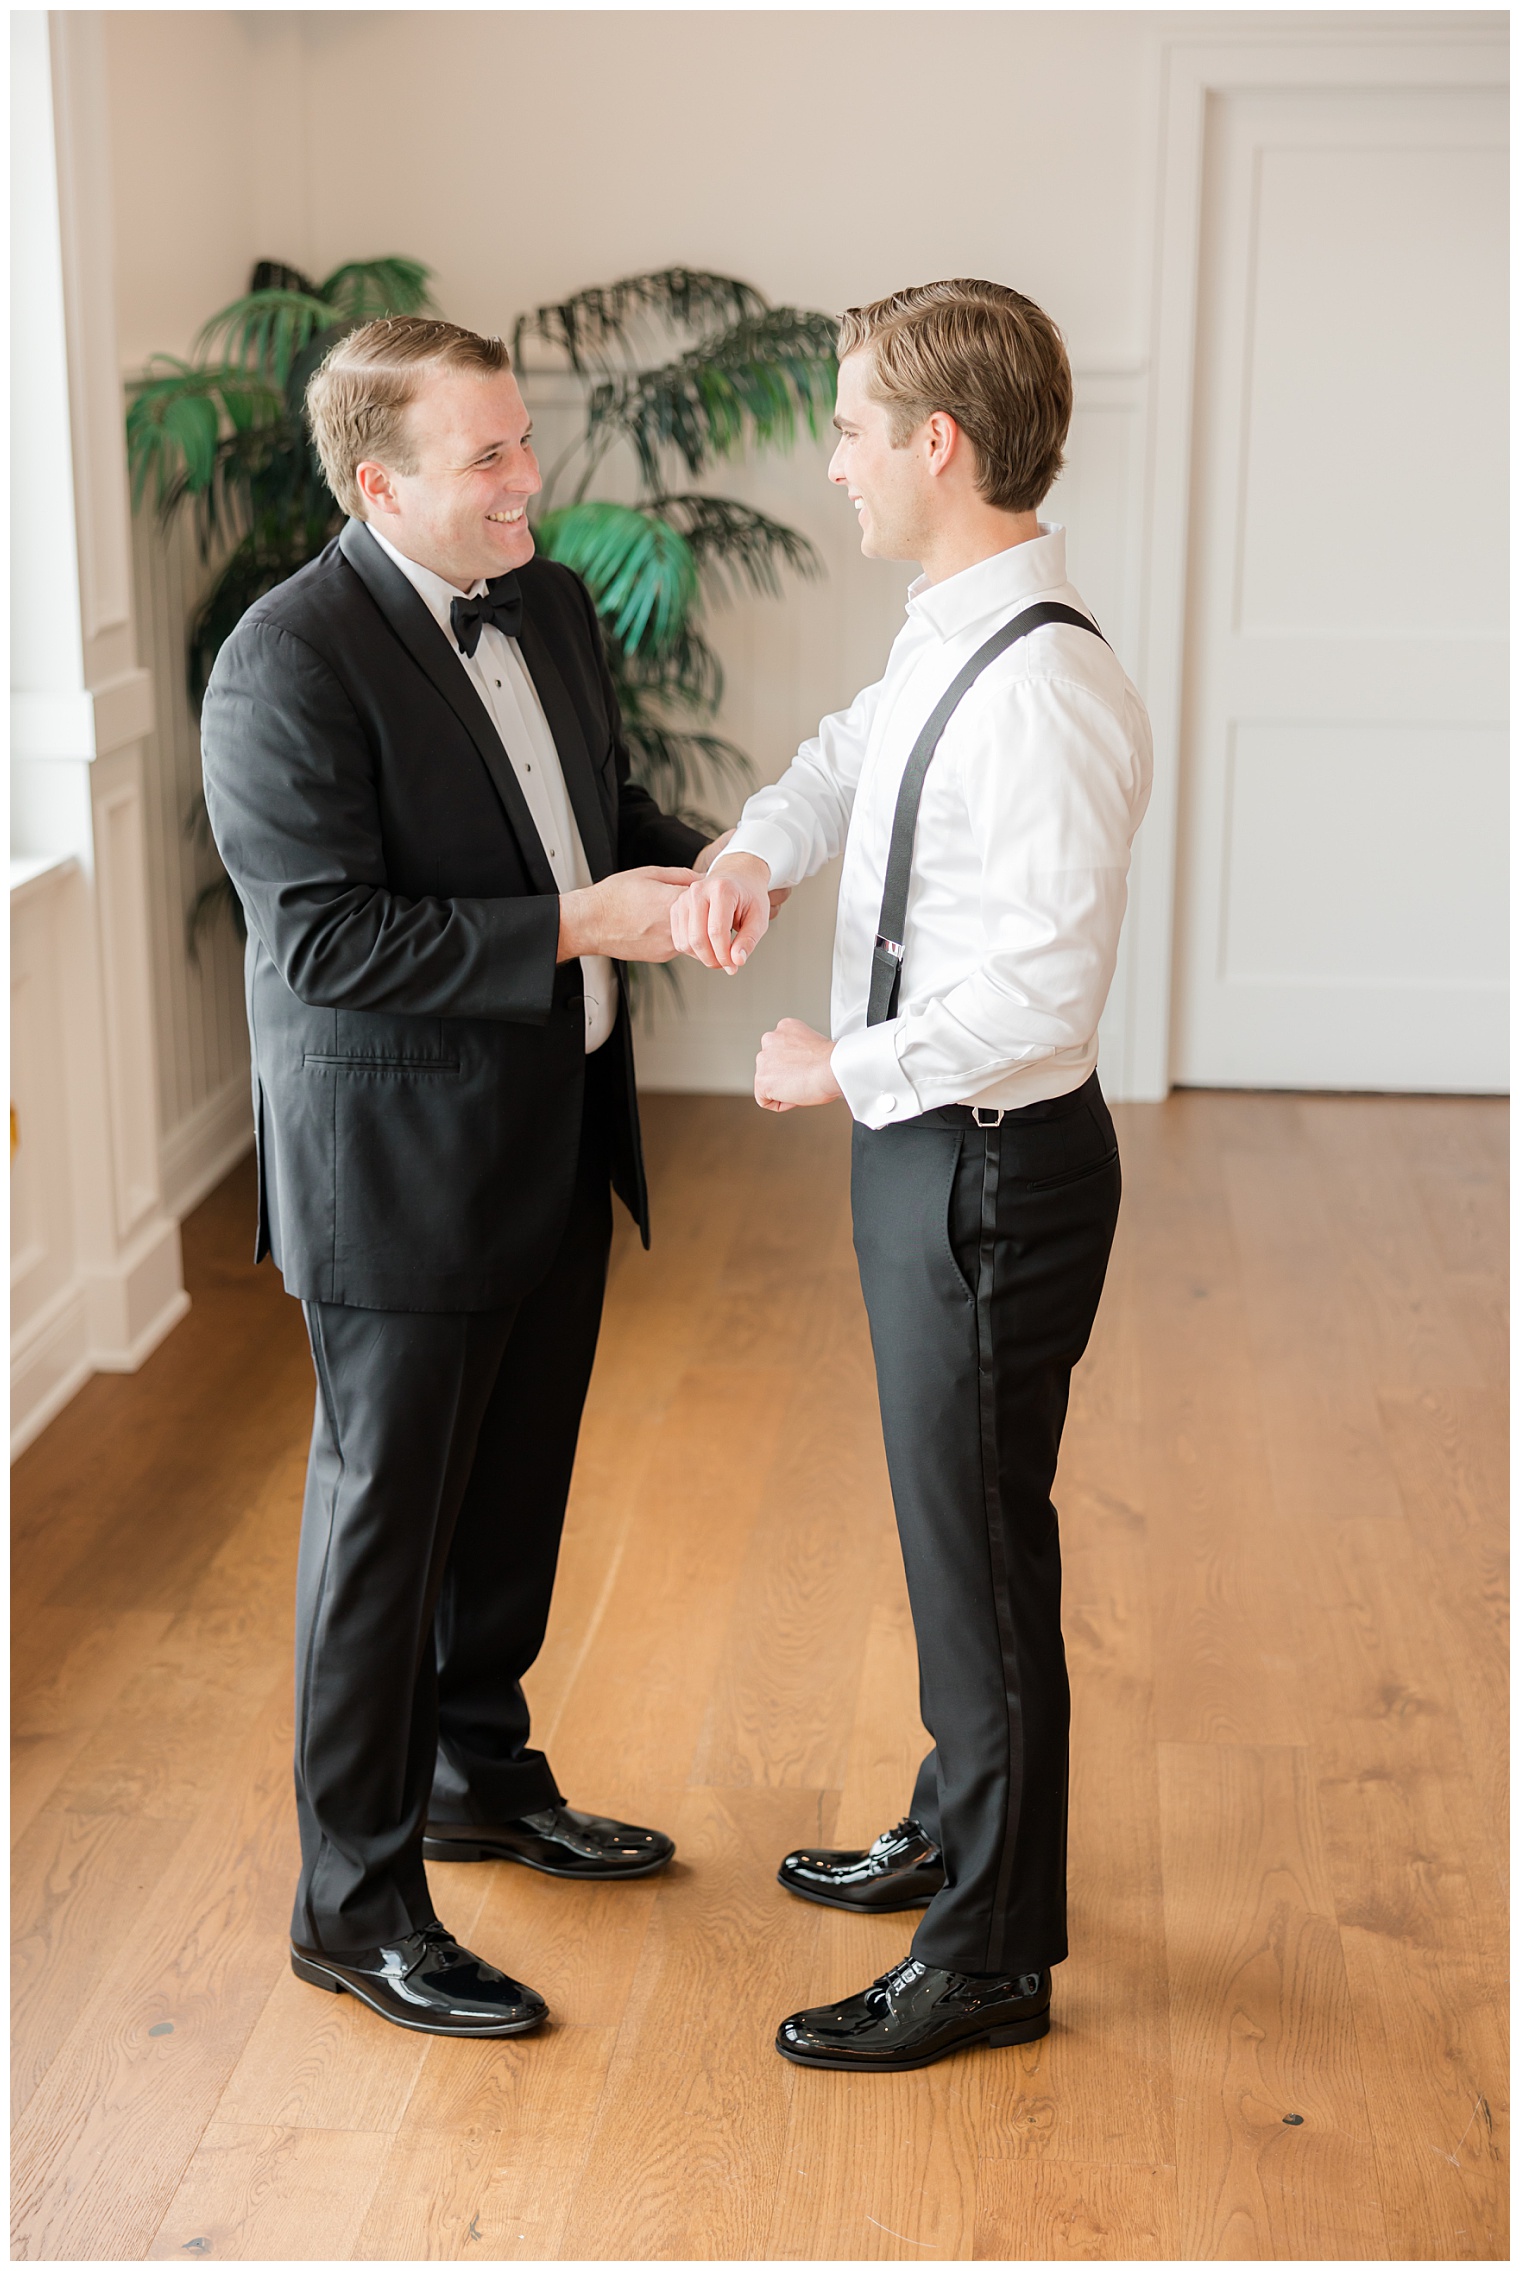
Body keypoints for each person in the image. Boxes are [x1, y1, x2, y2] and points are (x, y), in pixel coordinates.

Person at [201, 316, 730, 2038]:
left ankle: (476, 1779)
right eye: (487, 457)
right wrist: (589, 921)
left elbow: (590, 813)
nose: (530, 480)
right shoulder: (284, 663)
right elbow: (332, 940)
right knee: (382, 1541)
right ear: (379, 483)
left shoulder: (551, 605)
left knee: (510, 1503)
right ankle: (350, 1906)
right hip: (400, 1180)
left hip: (555, 1132)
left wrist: (712, 864)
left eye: (524, 441)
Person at [673, 279, 1153, 2072]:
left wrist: (837, 1069)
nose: (836, 461)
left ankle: (991, 1960)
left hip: (989, 1165)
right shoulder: (949, 628)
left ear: (935, 446)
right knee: (959, 1534)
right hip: (934, 1156)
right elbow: (854, 762)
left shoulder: (1050, 691)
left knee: (980, 1562)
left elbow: (1038, 989)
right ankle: (966, 1822)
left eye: (855, 428)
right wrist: (757, 851)